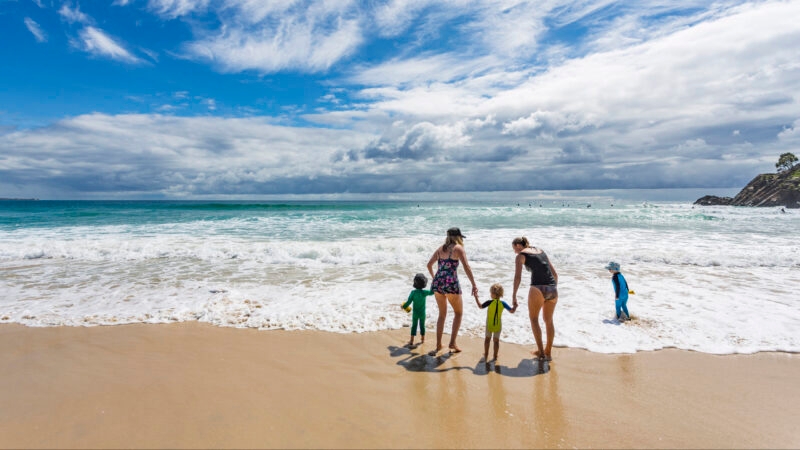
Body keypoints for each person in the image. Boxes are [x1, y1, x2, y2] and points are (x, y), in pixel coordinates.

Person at [427, 227, 478, 355]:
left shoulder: (440, 249)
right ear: (458, 237)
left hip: (438, 282)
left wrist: (435, 278)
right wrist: (474, 284)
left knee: (442, 315)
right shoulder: (458, 248)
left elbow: (429, 265)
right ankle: (452, 343)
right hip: (451, 283)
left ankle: (438, 345)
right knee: (458, 313)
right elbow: (467, 266)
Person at [511, 236, 558, 361]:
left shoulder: (520, 255)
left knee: (534, 319)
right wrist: (552, 288)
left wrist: (514, 295)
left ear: (517, 245)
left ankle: (541, 352)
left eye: (514, 249)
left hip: (537, 288)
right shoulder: (541, 250)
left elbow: (517, 278)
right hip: (553, 288)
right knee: (549, 320)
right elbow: (554, 274)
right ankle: (548, 351)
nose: (515, 252)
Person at [475, 283, 516, 361]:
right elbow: (512, 311)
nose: (490, 294)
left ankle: (486, 353)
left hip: (489, 324)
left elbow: (480, 306)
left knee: (487, 339)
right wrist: (515, 306)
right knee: (496, 341)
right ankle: (495, 355)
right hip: (498, 325)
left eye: (491, 293)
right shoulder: (503, 303)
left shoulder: (489, 302)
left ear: (493, 294)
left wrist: (476, 297)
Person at [401, 273, 434, 347]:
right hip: (422, 313)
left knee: (414, 326)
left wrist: (403, 306)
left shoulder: (413, 293)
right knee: (422, 326)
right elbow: (432, 292)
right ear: (424, 283)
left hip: (415, 314)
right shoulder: (424, 292)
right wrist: (434, 284)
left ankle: (411, 341)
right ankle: (422, 339)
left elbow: (408, 302)